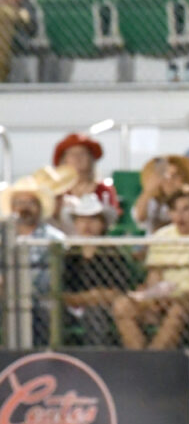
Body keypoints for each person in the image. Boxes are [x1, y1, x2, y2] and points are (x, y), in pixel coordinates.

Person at [113, 187, 189, 350]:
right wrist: (154, 297)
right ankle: (139, 358)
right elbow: (154, 275)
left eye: (185, 209)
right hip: (162, 297)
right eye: (174, 210)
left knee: (177, 311)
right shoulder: (162, 236)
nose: (180, 216)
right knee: (122, 306)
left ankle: (154, 360)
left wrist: (176, 299)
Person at [61, 194, 139, 347]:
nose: (87, 225)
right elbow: (62, 292)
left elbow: (119, 292)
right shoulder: (69, 254)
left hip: (104, 310)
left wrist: (91, 298)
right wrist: (91, 296)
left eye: (93, 219)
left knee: (95, 313)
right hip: (71, 310)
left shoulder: (113, 254)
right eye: (82, 219)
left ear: (103, 224)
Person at [0, 176, 65, 345]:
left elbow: (52, 278)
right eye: (19, 202)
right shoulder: (2, 235)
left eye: (30, 203)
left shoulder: (54, 238)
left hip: (40, 299)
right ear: (12, 207)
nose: (24, 208)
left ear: (40, 208)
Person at [52, 133, 122, 225]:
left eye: (82, 153)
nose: (77, 158)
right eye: (72, 154)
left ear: (91, 158)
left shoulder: (104, 190)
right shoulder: (58, 191)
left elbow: (114, 219)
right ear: (64, 160)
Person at [132, 155, 189, 235]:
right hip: (156, 246)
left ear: (183, 178)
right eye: (165, 176)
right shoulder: (153, 202)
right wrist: (149, 190)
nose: (169, 180)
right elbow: (140, 217)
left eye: (174, 176)